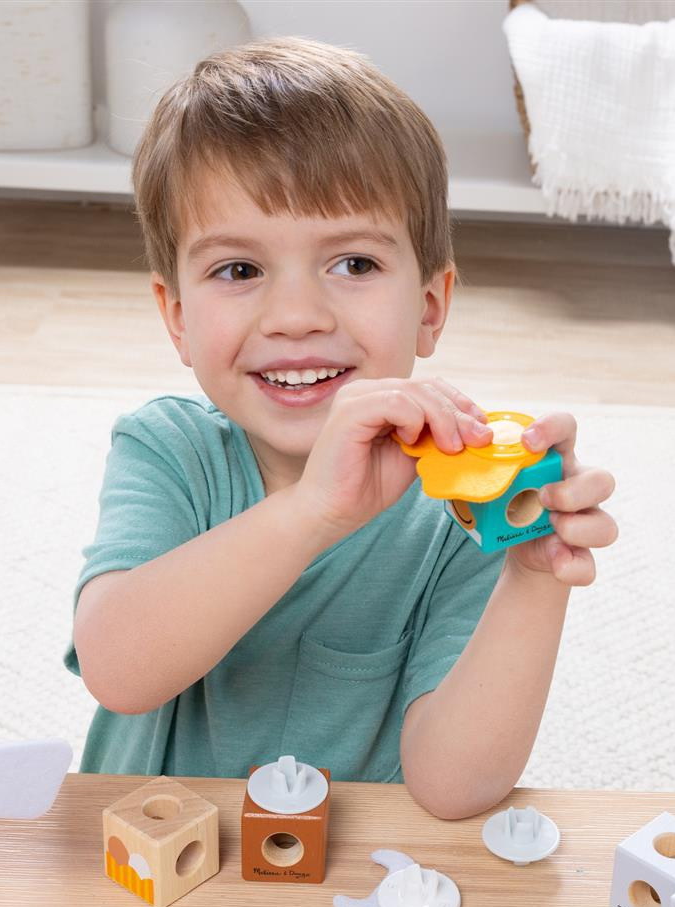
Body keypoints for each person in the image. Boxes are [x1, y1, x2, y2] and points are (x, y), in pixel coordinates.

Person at [66, 37, 617, 818]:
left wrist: (533, 578)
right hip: (157, 853)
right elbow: (118, 672)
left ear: (430, 307)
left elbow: (455, 787)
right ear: (178, 318)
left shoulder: (463, 508)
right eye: (239, 270)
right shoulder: (167, 449)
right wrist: (312, 512)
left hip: (360, 874)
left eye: (354, 264)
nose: (296, 317)